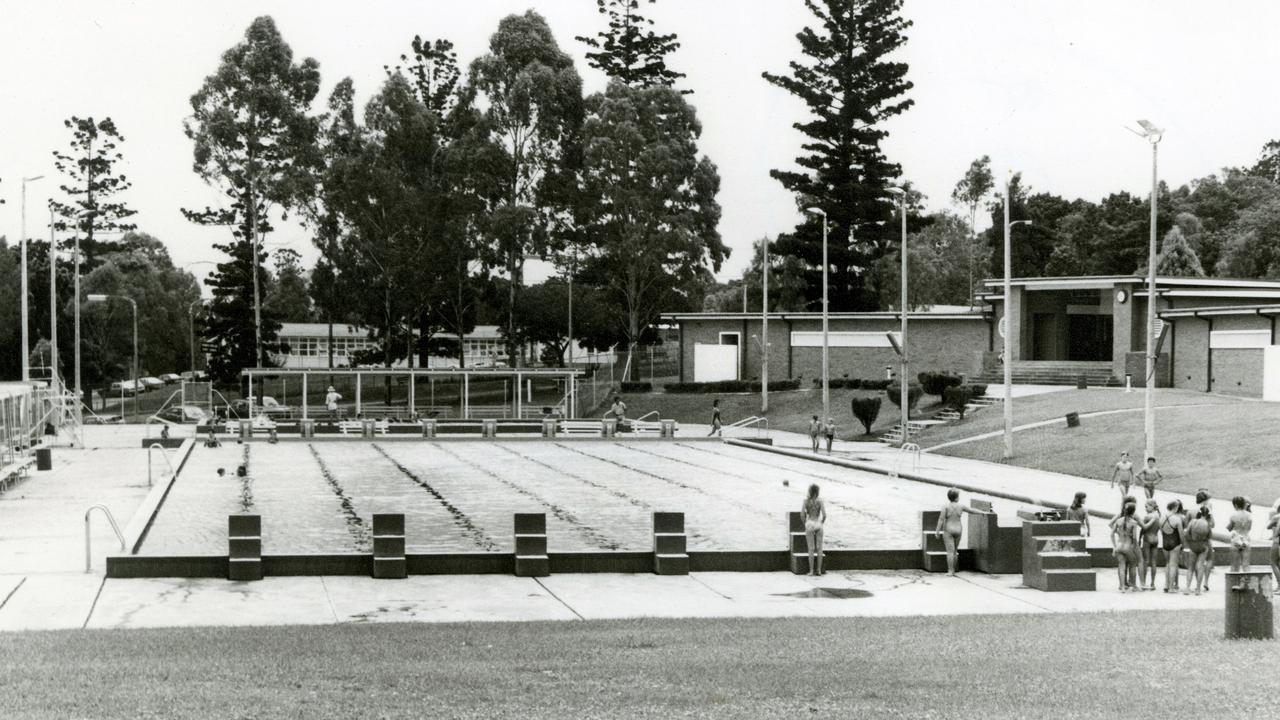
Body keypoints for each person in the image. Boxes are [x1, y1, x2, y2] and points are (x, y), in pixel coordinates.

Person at [935, 488, 968, 576]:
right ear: (957, 498)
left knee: (950, 552)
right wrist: (982, 512)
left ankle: (950, 571)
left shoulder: (945, 506)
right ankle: (954, 570)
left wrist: (937, 531)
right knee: (955, 551)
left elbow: (941, 519)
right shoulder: (961, 506)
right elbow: (972, 510)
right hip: (958, 529)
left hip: (948, 530)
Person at [1110, 502, 1141, 591]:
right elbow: (1135, 538)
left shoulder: (1118, 521)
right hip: (1128, 546)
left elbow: (1111, 534)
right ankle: (1133, 585)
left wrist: (1114, 546)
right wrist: (1134, 548)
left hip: (1119, 545)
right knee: (1133, 564)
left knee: (1121, 566)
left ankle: (1122, 586)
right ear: (1133, 512)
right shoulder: (1133, 523)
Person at [1184, 505, 1214, 595]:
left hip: (1193, 545)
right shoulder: (1207, 524)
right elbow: (1209, 536)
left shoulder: (1193, 521)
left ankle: (1187, 588)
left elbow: (1186, 534)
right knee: (1200, 566)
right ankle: (1198, 589)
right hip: (1202, 545)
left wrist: (1190, 541)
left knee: (1190, 568)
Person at [801, 483, 827, 576]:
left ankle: (811, 571)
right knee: (819, 548)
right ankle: (819, 571)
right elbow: (824, 515)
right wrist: (821, 523)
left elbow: (802, 515)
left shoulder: (806, 501)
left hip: (810, 523)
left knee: (811, 549)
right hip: (818, 523)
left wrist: (805, 523)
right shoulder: (820, 501)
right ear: (817, 492)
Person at [1160, 499, 1185, 593]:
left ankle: (1166, 585)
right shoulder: (1177, 519)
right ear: (1175, 507)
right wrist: (1183, 545)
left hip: (1165, 542)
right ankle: (1171, 587)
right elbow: (1181, 535)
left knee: (1167, 564)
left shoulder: (1161, 518)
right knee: (1173, 565)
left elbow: (1161, 532)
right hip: (1175, 542)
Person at [1193, 489, 1215, 591]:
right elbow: (1212, 524)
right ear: (1205, 499)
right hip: (1206, 536)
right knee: (1209, 558)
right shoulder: (1207, 509)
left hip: (1196, 537)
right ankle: (1206, 581)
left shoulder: (1194, 509)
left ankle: (1198, 581)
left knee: (1198, 561)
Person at [1137, 499, 1162, 590]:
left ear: (1151, 506)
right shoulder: (1159, 516)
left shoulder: (1148, 516)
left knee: (1146, 561)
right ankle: (1152, 583)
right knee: (1154, 562)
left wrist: (1139, 539)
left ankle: (1143, 582)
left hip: (1147, 539)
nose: (1145, 508)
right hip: (1155, 539)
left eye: (1146, 506)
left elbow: (1143, 529)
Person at [1227, 495, 1253, 572]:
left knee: (1234, 565)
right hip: (1246, 539)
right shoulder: (1249, 515)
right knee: (1246, 564)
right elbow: (1249, 528)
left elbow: (1229, 528)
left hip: (1236, 540)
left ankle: (1234, 583)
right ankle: (1247, 582)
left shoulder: (1233, 515)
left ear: (1235, 505)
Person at [1267, 498, 1280, 586]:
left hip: (1277, 542)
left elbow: (1268, 526)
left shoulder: (1277, 517)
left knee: (1273, 562)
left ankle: (1279, 584)